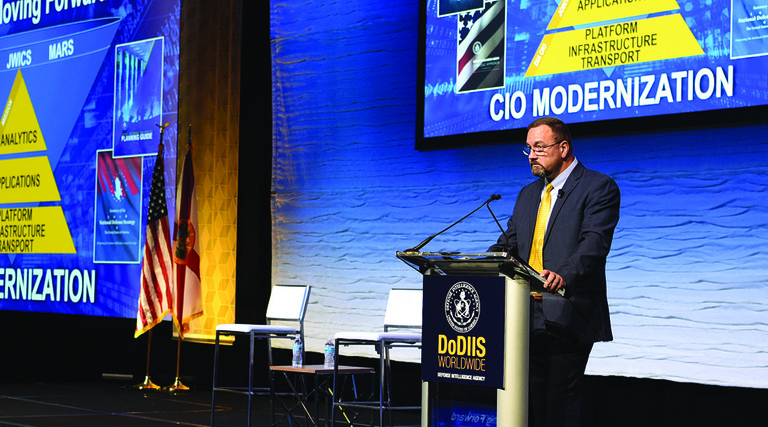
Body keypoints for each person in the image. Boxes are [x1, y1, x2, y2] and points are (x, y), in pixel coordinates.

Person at [488, 117, 620, 427]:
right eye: (528, 149)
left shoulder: (598, 187)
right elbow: (509, 243)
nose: (532, 155)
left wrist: (564, 275)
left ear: (563, 148)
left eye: (539, 147)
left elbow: (594, 244)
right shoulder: (528, 194)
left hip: (568, 313)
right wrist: (486, 262)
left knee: (559, 407)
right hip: (524, 315)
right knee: (530, 406)